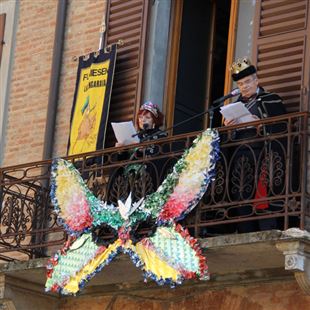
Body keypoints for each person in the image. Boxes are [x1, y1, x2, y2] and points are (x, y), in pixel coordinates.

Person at [223, 57, 287, 233]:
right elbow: (227, 140)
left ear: (256, 80)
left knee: (263, 194)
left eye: (248, 81)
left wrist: (261, 123)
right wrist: (228, 128)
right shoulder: (234, 106)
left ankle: (265, 229)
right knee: (241, 194)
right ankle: (245, 229)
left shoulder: (270, 99)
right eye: (241, 83)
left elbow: (283, 126)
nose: (244, 86)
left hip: (263, 153)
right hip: (240, 156)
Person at [108, 102, 167, 204]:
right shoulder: (135, 136)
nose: (143, 120)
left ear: (155, 120)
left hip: (145, 181)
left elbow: (158, 158)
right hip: (128, 181)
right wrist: (121, 151)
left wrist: (141, 151)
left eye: (147, 117)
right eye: (140, 117)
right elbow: (124, 160)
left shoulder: (160, 136)